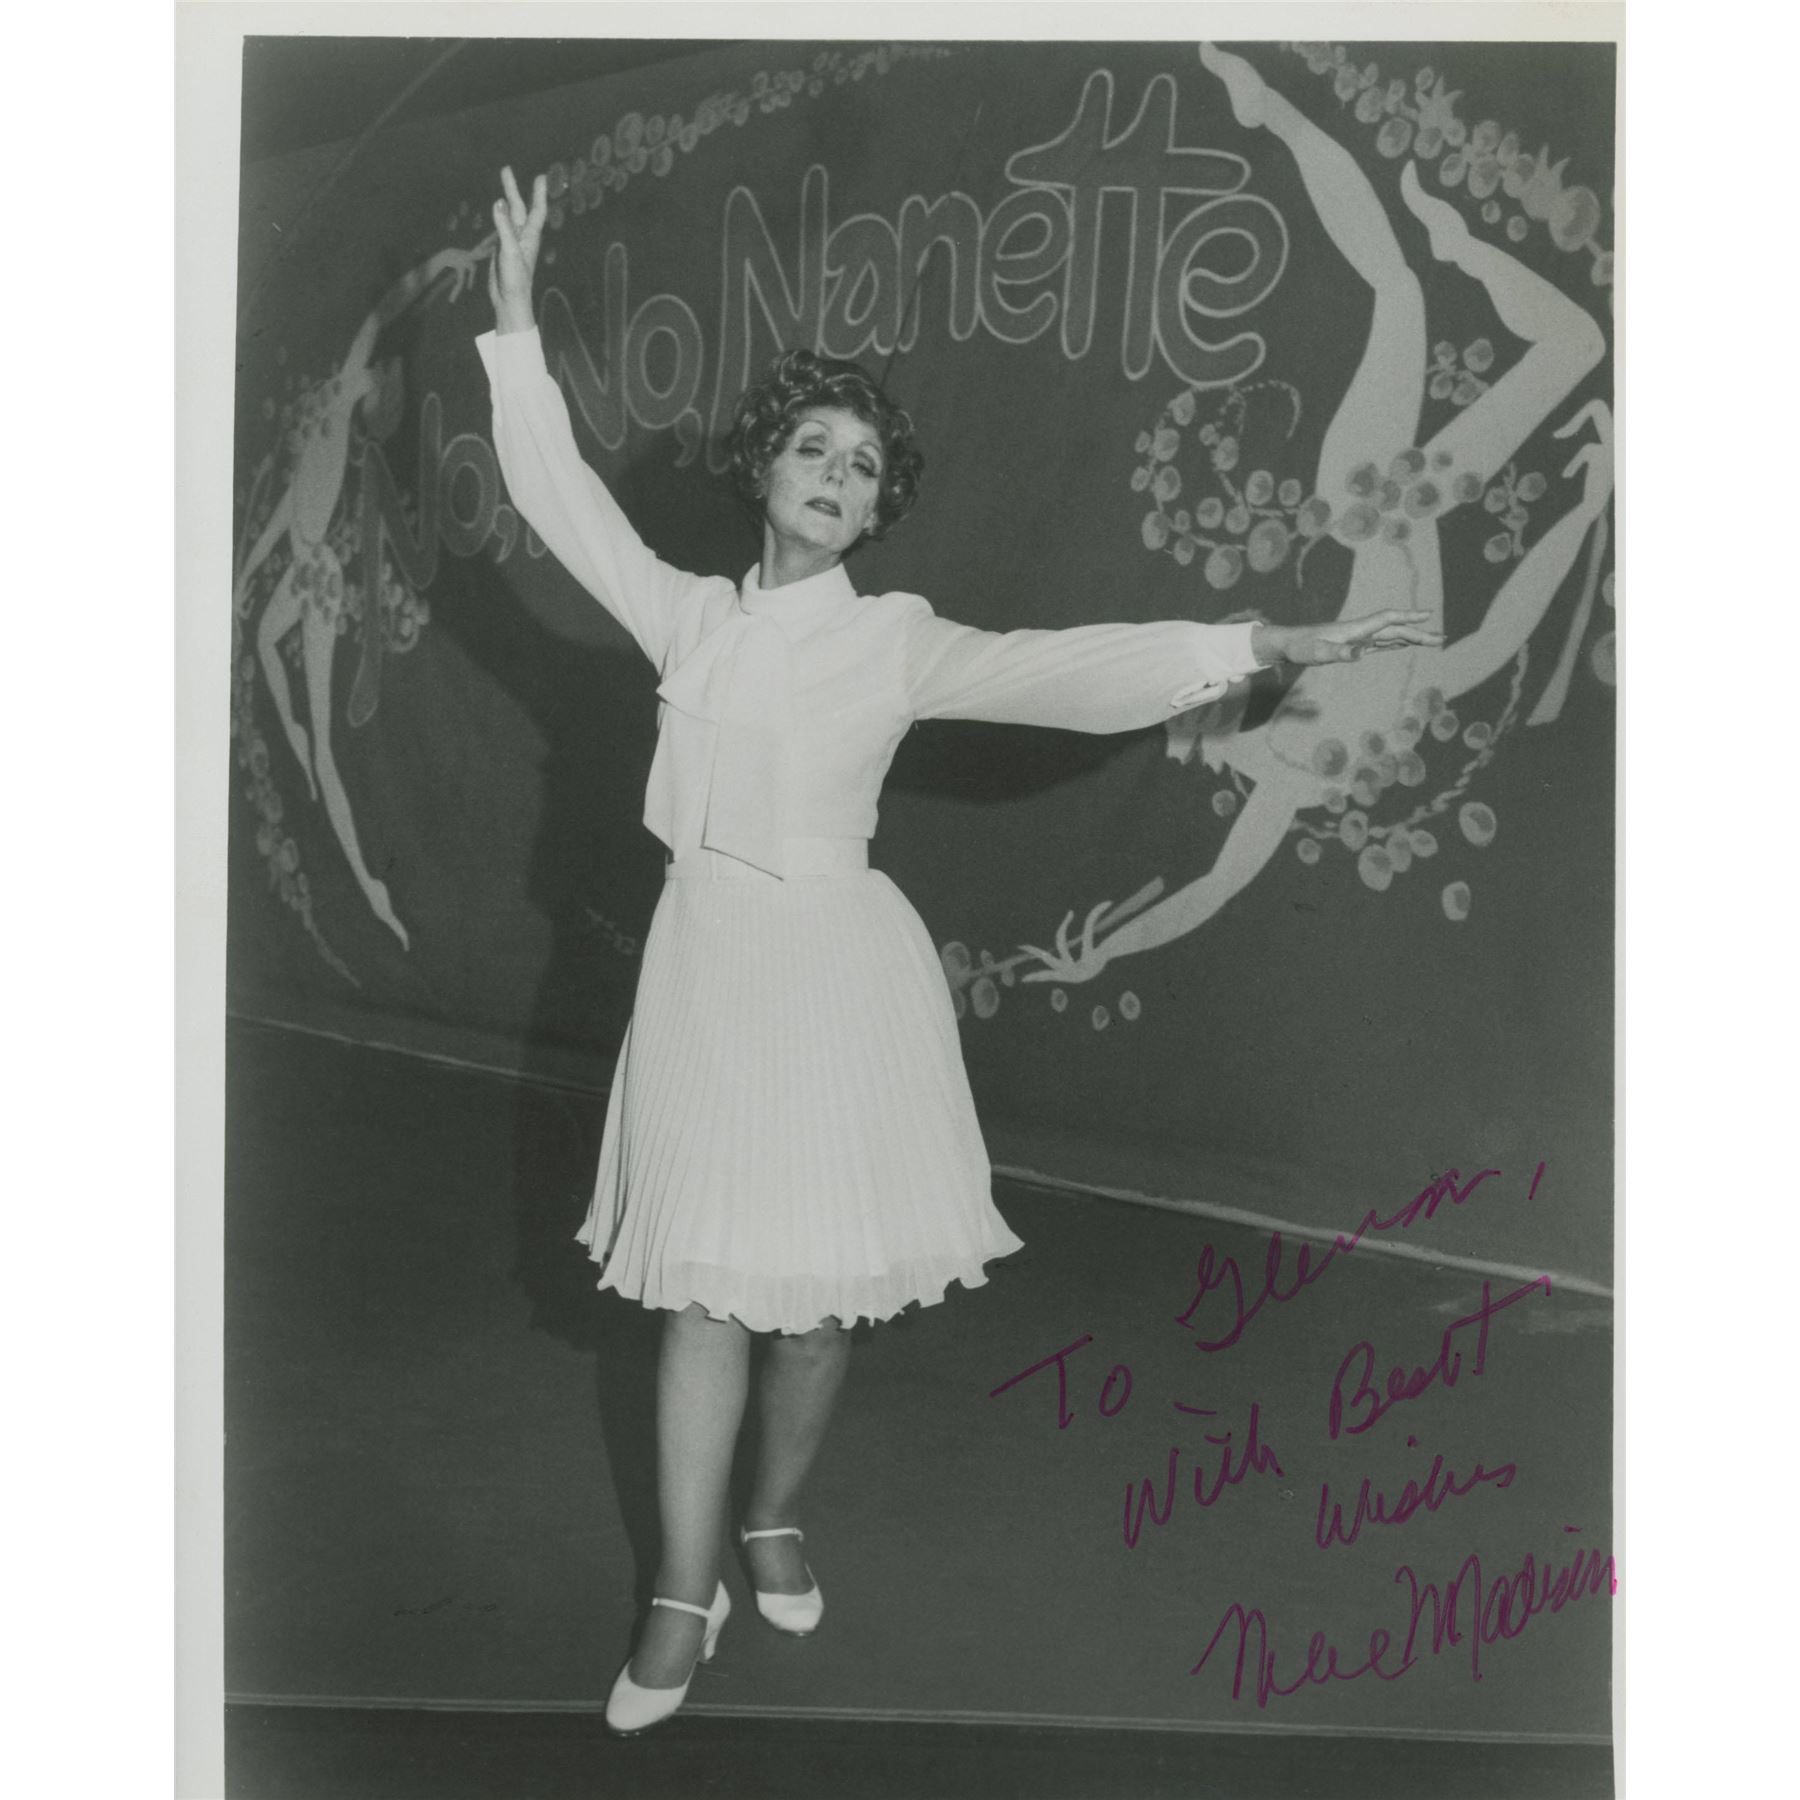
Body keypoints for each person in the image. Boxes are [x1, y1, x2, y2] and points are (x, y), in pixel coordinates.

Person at [478, 163, 1441, 1736]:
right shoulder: (686, 617)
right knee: (700, 1301)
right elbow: (560, 495)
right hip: (705, 972)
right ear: (763, 468)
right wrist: (516, 327)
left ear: (878, 508)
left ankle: (771, 1517)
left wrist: (1258, 644)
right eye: (814, 447)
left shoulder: (896, 637)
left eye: (864, 465)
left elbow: (1068, 669)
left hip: (837, 977)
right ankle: (679, 1589)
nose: (837, 475)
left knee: (813, 1310)